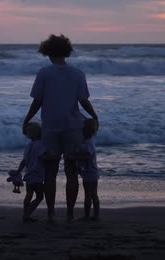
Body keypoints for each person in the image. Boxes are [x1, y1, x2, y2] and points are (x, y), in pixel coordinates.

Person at [22, 34, 98, 222]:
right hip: (73, 128)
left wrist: (28, 118)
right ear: (67, 51)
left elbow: (37, 101)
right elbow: (83, 101)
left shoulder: (44, 73)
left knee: (50, 172)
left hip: (51, 128)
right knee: (72, 172)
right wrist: (95, 116)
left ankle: (51, 213)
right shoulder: (77, 73)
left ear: (47, 52)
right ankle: (70, 214)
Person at [15, 121, 47, 222]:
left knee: (29, 194)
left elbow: (24, 161)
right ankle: (28, 213)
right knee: (40, 196)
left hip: (28, 174)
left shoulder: (29, 145)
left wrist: (19, 170)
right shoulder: (41, 145)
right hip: (37, 174)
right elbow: (43, 156)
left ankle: (25, 214)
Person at [72, 118, 100, 220]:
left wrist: (74, 157)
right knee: (93, 194)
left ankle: (88, 215)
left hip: (90, 173)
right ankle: (95, 215)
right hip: (91, 172)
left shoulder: (88, 143)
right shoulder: (88, 141)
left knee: (89, 194)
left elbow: (87, 155)